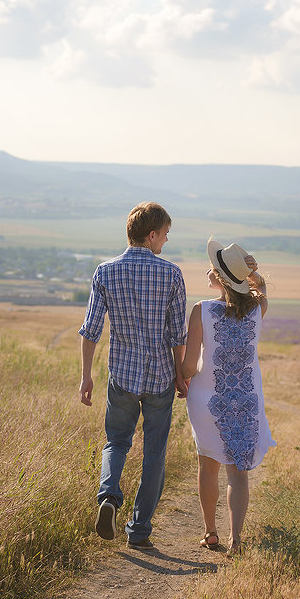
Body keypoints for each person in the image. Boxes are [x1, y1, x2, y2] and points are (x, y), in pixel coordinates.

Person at [79, 202, 187, 550]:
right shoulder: (171, 274)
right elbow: (176, 335)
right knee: (155, 452)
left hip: (122, 376)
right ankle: (139, 530)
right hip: (159, 379)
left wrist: (85, 376)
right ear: (151, 234)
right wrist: (181, 374)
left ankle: (109, 497)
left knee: (117, 442)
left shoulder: (104, 272)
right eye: (165, 235)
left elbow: (91, 330)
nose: (166, 242)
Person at [179, 240, 274, 556]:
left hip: (207, 402)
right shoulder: (257, 310)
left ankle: (210, 532)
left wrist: (178, 371)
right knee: (238, 473)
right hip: (245, 402)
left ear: (220, 278)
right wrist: (254, 274)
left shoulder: (201, 310)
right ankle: (236, 540)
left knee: (208, 467)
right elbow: (259, 292)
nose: (209, 270)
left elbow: (191, 366)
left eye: (214, 268)